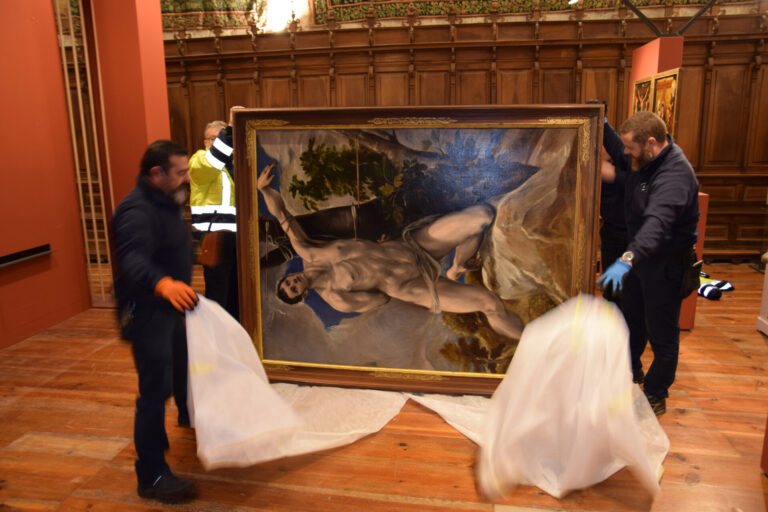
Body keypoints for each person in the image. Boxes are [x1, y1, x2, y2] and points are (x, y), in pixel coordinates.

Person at [257, 163, 523, 341]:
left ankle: (456, 268)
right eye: (294, 288)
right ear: (303, 295)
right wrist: (381, 276)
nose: (293, 282)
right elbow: (380, 300)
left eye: (288, 282)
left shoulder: (309, 252)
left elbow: (282, 216)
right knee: (490, 304)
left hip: (413, 246)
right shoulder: (336, 298)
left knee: (482, 215)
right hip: (410, 284)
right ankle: (528, 346)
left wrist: (263, 189)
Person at [113, 140, 199, 503]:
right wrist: (164, 283)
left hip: (169, 308)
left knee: (181, 367)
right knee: (154, 391)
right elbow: (133, 259)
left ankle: (186, 417)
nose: (186, 178)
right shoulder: (136, 211)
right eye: (180, 172)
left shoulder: (165, 199)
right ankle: (151, 475)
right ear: (156, 173)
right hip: (148, 312)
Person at [597, 111, 699, 416]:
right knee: (632, 319)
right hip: (641, 261)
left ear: (651, 143)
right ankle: (630, 372)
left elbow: (656, 225)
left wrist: (625, 260)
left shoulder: (675, 176)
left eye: (631, 148)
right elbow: (620, 149)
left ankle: (656, 393)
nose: (625, 154)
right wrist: (601, 122)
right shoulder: (645, 158)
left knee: (662, 333)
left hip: (666, 265)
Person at [189, 116, 239, 319]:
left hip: (238, 236)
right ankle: (215, 333)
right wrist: (230, 129)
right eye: (213, 138)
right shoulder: (200, 160)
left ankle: (235, 331)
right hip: (213, 235)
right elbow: (214, 160)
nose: (217, 142)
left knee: (237, 291)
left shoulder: (235, 164)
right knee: (218, 293)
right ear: (205, 142)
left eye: (222, 137)